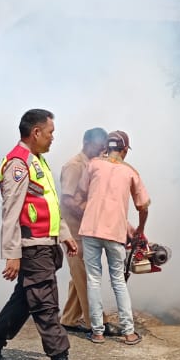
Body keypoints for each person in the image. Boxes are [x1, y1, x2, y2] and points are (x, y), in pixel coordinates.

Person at [0, 108, 92, 360]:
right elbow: (11, 212)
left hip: (45, 244)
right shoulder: (18, 164)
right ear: (36, 132)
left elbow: (50, 205)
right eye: (50, 132)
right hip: (32, 248)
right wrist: (12, 254)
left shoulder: (37, 161)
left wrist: (64, 235)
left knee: (24, 302)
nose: (53, 138)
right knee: (45, 304)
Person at [74, 130, 150, 346]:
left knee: (93, 280)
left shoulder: (93, 165)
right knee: (118, 281)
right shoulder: (130, 172)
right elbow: (143, 206)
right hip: (115, 233)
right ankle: (129, 333)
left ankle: (97, 332)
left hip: (90, 230)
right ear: (125, 149)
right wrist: (139, 230)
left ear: (107, 147)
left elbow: (81, 193)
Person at [59, 127, 107, 332]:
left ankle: (69, 319)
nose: (101, 150)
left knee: (79, 276)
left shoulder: (93, 165)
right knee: (86, 276)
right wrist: (91, 218)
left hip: (85, 230)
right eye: (98, 146)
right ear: (87, 142)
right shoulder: (74, 165)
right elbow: (68, 200)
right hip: (74, 231)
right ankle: (95, 322)